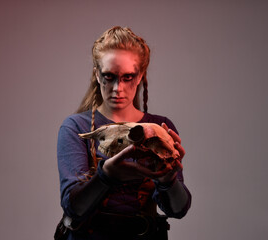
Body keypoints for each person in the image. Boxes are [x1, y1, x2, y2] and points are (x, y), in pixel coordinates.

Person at [56, 26, 191, 240]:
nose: (118, 88)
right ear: (97, 75)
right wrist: (106, 176)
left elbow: (178, 210)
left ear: (140, 77)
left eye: (128, 77)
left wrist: (168, 177)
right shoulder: (76, 127)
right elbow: (74, 207)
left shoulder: (161, 126)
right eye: (109, 76)